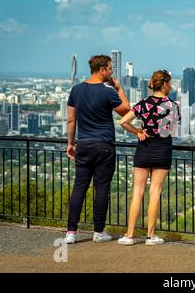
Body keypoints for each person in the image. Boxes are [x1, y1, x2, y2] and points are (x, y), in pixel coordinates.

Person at [64, 55, 139, 244]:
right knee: (101, 188)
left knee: (79, 187)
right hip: (104, 145)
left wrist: (71, 143)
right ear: (103, 70)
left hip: (83, 144)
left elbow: (71, 120)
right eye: (111, 69)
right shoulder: (108, 92)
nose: (112, 72)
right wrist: (119, 89)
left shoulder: (76, 90)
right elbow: (126, 110)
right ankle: (98, 231)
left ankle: (71, 232)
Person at [117, 70, 180, 246]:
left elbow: (122, 122)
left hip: (144, 148)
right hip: (163, 149)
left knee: (137, 192)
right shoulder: (173, 105)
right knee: (155, 193)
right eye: (170, 83)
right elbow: (172, 131)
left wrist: (138, 131)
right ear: (165, 84)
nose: (171, 86)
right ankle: (151, 236)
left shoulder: (143, 103)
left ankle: (129, 235)